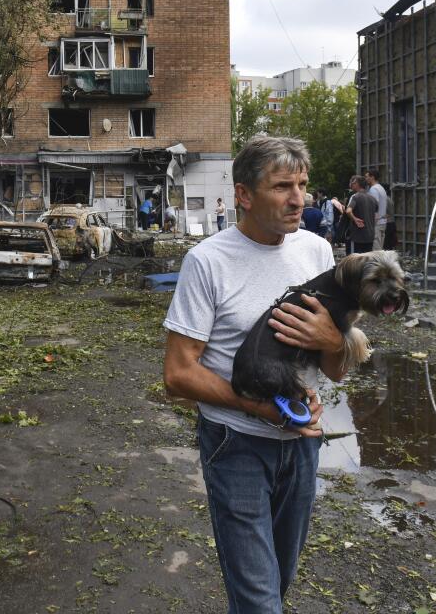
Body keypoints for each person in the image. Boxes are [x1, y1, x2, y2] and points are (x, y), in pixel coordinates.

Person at [163, 135, 345, 613]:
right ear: (244, 194)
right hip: (236, 444)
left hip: (302, 443)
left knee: (278, 582)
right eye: (282, 186)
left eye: (302, 185)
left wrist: (333, 341)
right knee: (260, 601)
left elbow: (337, 370)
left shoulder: (318, 252)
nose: (298, 199)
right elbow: (179, 375)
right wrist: (260, 409)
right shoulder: (208, 261)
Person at [345, 175, 377, 255]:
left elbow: (348, 211)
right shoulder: (372, 198)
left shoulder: (355, 197)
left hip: (357, 236)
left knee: (356, 260)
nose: (351, 184)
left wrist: (355, 219)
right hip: (370, 235)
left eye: (352, 182)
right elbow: (376, 215)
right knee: (367, 259)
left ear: (356, 184)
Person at [364, 170, 390, 252]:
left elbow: (374, 206)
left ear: (372, 177)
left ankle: (376, 265)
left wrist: (370, 223)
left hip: (376, 223)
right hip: (383, 222)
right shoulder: (381, 188)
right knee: (380, 248)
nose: (366, 179)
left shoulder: (373, 189)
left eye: (367, 176)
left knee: (376, 250)